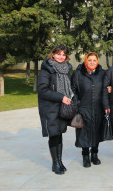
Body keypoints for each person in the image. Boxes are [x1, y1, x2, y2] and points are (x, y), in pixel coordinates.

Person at [38, 45, 73, 175]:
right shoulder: (46, 70)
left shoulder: (65, 70)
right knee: (53, 134)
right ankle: (55, 163)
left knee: (59, 134)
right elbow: (43, 90)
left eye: (63, 54)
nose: (61, 57)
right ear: (52, 54)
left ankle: (59, 161)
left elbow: (70, 87)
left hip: (62, 108)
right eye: (58, 54)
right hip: (50, 108)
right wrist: (61, 97)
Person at [71, 52, 105, 168]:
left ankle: (94, 155)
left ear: (97, 61)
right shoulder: (78, 74)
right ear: (86, 61)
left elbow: (107, 87)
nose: (92, 62)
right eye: (89, 60)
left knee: (96, 132)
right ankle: (85, 156)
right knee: (83, 134)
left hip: (98, 109)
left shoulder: (102, 73)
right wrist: (78, 103)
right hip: (83, 109)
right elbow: (73, 90)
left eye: (94, 60)